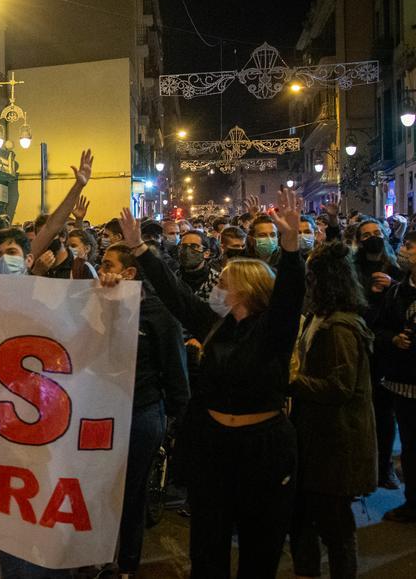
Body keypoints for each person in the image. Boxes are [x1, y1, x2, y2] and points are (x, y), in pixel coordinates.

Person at [105, 190, 305, 579]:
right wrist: (140, 249)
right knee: (207, 548)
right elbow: (176, 295)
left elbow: (289, 300)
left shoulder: (272, 332)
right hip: (213, 449)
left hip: (264, 450)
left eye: (224, 282)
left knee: (259, 549)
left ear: (246, 290)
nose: (216, 287)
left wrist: (292, 248)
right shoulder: (215, 327)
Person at [96, 243, 190, 577]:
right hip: (99, 415)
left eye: (107, 264)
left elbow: (176, 372)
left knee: (130, 494)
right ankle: (96, 554)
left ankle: (126, 564)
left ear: (129, 273)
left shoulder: (158, 315)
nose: (101, 268)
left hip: (141, 414)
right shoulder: (92, 306)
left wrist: (180, 423)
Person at [289, 242, 376, 579]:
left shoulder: (339, 327)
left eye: (311, 275)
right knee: (303, 519)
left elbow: (339, 387)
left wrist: (293, 381)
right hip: (316, 438)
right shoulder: (318, 318)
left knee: (336, 526)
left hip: (336, 443)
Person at [355, 217, 405, 490]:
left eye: (376, 232)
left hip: (388, 352)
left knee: (386, 415)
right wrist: (371, 293)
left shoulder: (395, 268)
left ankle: (384, 467)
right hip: (363, 349)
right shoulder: (353, 269)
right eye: (366, 234)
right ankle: (364, 468)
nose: (372, 237)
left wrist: (392, 287)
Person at [371, 229, 416, 521]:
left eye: (413, 247)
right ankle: (412, 503)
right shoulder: (398, 291)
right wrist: (393, 340)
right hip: (404, 383)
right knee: (410, 446)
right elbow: (379, 328)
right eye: (408, 247)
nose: (407, 252)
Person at [177, 229, 220, 301]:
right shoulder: (174, 277)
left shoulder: (218, 282)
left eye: (194, 246)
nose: (187, 251)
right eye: (183, 246)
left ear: (206, 253)